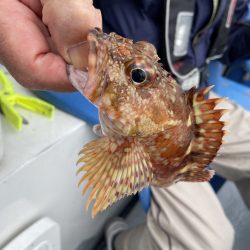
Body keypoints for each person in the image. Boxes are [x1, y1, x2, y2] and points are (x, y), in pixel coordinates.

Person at [3, 0, 250, 249]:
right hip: (156, 135)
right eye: (137, 75)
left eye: (137, 75)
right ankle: (117, 240)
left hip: (189, 98)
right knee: (208, 243)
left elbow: (227, 39)